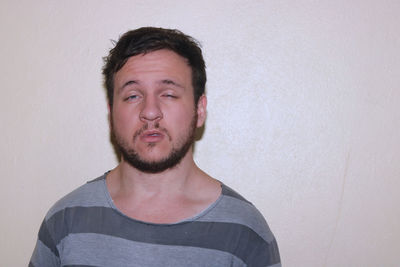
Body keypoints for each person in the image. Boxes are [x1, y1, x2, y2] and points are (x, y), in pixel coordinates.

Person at [29, 27, 281, 267]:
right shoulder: (65, 222)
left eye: (168, 94)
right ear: (111, 112)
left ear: (199, 109)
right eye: (132, 96)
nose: (150, 112)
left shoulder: (245, 231)